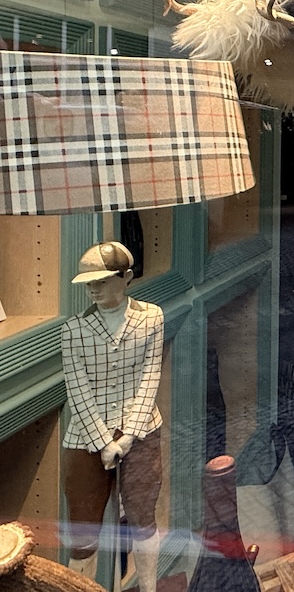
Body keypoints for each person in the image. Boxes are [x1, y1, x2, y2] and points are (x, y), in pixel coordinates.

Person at [61, 241, 164, 592]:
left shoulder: (151, 318)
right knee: (83, 532)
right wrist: (104, 442)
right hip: (86, 436)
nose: (93, 288)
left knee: (143, 520)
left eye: (102, 280)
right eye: (89, 282)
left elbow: (150, 378)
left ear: (126, 278)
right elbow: (77, 390)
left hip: (142, 430)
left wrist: (129, 436)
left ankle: (148, 587)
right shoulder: (73, 330)